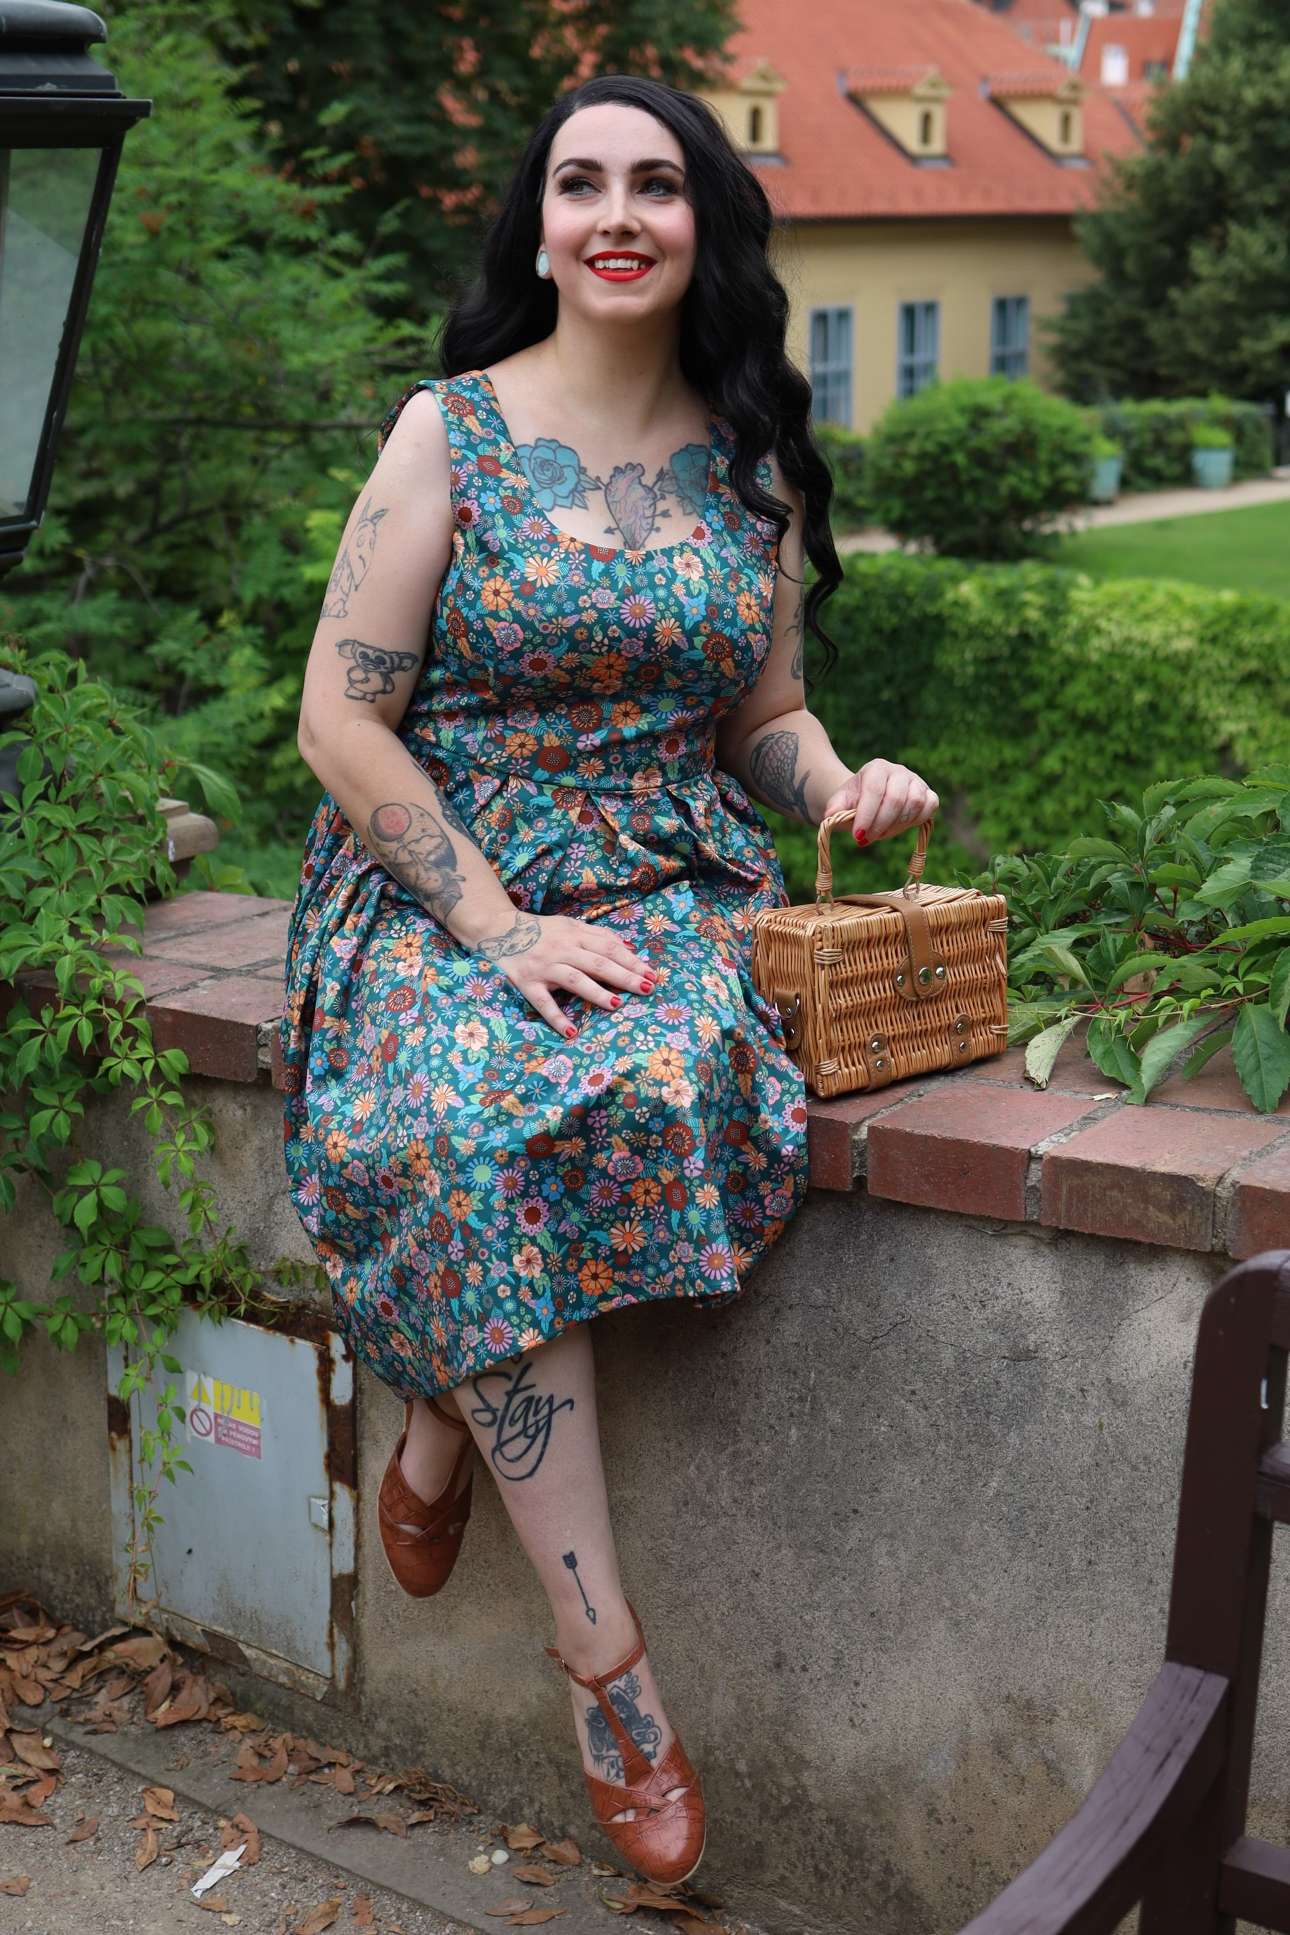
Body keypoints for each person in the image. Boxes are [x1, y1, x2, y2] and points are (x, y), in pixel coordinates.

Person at [280, 72, 938, 1889]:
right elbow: (337, 714)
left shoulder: (755, 467)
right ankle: (610, 1675)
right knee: (464, 1111)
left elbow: (763, 717)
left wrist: (841, 786)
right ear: (541, 227)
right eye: (581, 185)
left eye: (657, 184)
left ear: (707, 222)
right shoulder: (450, 432)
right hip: (442, 882)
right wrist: (491, 925)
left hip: (664, 880)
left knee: (642, 1075)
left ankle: (428, 1423)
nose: (618, 213)